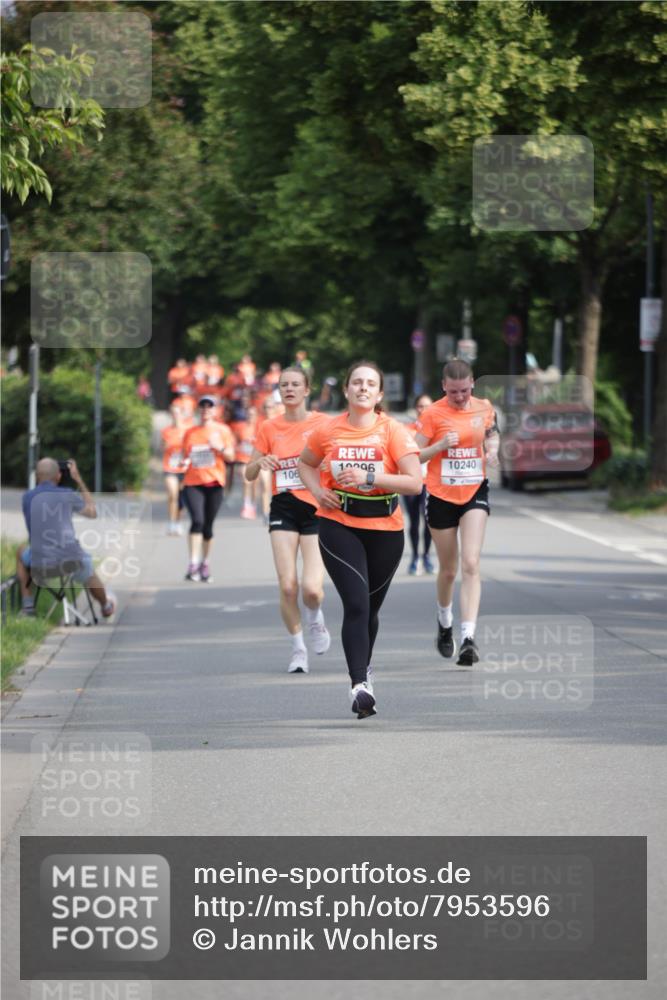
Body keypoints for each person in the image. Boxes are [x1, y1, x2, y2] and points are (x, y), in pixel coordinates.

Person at [298, 361, 422, 719]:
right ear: (347, 390)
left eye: (370, 384)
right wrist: (318, 491)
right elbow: (306, 464)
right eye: (357, 382)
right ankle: (359, 686)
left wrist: (371, 475)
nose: (363, 388)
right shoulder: (328, 430)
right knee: (356, 604)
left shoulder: (393, 431)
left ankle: (364, 671)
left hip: (385, 528)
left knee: (371, 609)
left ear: (379, 394)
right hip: (339, 524)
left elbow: (415, 482)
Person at [245, 367, 331, 674]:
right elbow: (248, 472)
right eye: (284, 385)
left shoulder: (323, 423)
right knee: (288, 587)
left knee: (311, 589)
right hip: (283, 506)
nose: (290, 389)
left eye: (296, 384)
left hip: (316, 507)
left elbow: (339, 453)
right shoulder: (269, 427)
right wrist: (260, 462)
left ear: (307, 390)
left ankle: (315, 616)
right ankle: (298, 650)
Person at [414, 359, 499, 666]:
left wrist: (493, 450)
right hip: (440, 495)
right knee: (448, 570)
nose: (460, 397)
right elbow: (412, 454)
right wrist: (438, 447)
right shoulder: (432, 413)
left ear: (473, 383)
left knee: (472, 562)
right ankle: (445, 620)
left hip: (474, 490)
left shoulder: (484, 408)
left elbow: (492, 434)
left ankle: (468, 637)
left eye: (464, 391)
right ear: (443, 387)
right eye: (453, 392)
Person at [16, 458, 116, 619]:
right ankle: (106, 606)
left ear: (37, 476)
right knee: (88, 569)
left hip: (40, 564)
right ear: (59, 475)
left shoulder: (27, 497)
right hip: (71, 562)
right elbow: (92, 512)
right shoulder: (67, 494)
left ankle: (28, 607)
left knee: (21, 551)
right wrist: (78, 479)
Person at [181, 396, 236, 582]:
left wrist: (218, 446)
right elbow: (186, 455)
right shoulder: (190, 432)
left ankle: (205, 562)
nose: (205, 410)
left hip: (214, 483)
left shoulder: (223, 430)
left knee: (208, 526)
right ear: (199, 410)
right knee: (197, 520)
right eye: (202, 407)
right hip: (193, 482)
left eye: (209, 406)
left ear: (215, 410)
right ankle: (193, 563)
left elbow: (230, 456)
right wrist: (185, 461)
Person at [405, 394, 434, 576]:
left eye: (427, 406)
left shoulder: (437, 430)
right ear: (416, 408)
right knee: (414, 521)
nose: (423, 410)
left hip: (429, 482)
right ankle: (415, 557)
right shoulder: (407, 430)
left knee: (428, 520)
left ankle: (426, 556)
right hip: (410, 481)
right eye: (420, 406)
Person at [161, 405, 193, 535]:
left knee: (181, 498)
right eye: (173, 413)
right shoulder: (166, 431)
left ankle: (178, 522)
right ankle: (171, 522)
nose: (176, 416)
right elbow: (162, 448)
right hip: (170, 467)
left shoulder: (188, 430)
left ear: (182, 415)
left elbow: (192, 447)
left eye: (178, 413)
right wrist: (167, 446)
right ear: (171, 415)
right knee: (172, 494)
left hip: (184, 469)